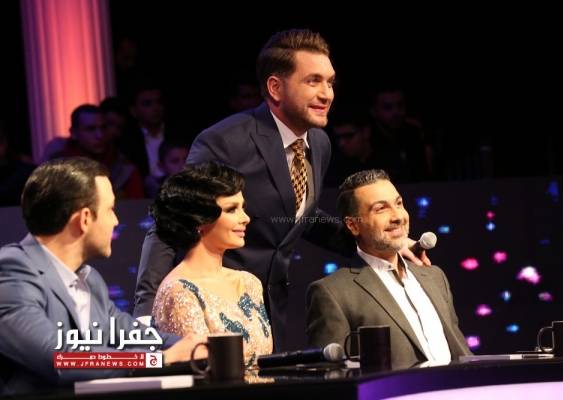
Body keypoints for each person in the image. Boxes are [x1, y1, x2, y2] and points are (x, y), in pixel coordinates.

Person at [134, 29, 428, 350]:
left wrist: (377, 244)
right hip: (211, 309)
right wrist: (145, 319)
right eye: (313, 81)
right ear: (275, 87)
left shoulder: (319, 143)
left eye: (330, 82)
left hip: (269, 308)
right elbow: (171, 221)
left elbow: (302, 216)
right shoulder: (226, 141)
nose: (327, 94)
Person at [0, 158, 202, 395]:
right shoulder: (12, 271)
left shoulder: (90, 279)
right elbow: (60, 359)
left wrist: (195, 345)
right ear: (84, 218)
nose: (116, 221)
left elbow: (133, 334)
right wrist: (157, 359)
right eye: (110, 210)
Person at [306, 169, 471, 369]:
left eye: (399, 203)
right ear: (353, 225)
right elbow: (332, 375)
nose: (397, 216)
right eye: (381, 209)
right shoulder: (333, 293)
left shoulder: (434, 277)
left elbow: (460, 351)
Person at [150, 162, 272, 366]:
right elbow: (199, 369)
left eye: (242, 208)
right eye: (231, 209)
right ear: (200, 219)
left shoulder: (249, 283)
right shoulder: (179, 291)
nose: (246, 218)